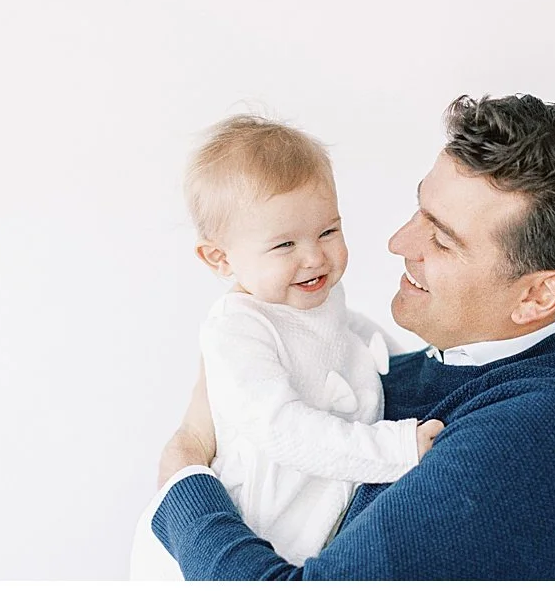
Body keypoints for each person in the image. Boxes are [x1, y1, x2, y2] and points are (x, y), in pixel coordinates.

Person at [150, 95, 555, 580]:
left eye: (442, 239)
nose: (398, 243)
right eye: (419, 211)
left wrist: (183, 478)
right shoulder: (391, 372)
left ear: (538, 294)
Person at [129, 116, 444, 580]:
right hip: (233, 540)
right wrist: (395, 449)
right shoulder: (237, 330)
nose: (314, 257)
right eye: (284, 245)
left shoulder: (319, 301)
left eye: (328, 232)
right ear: (220, 258)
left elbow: (353, 341)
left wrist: (419, 366)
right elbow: (281, 428)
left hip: (311, 531)